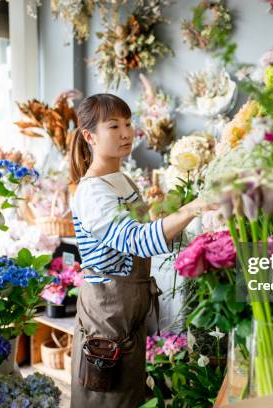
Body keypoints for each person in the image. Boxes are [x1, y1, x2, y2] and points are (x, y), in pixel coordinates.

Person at [68, 93, 217, 408]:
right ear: (89, 136)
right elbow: (135, 239)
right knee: (106, 397)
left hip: (127, 308)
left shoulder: (119, 178)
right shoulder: (92, 191)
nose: (126, 132)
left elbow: (142, 224)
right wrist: (190, 209)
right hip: (106, 311)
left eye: (127, 123)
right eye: (113, 126)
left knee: (129, 391)